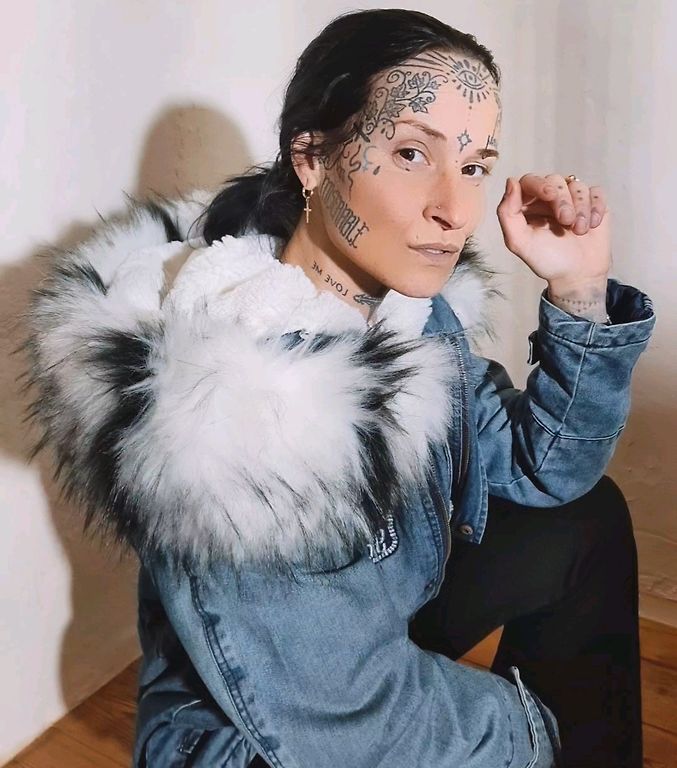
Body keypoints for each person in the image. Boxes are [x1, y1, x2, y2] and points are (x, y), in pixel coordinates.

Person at [22, 9, 655, 768]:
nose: (455, 211)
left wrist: (579, 291)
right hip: (255, 737)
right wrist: (544, 733)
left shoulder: (403, 309)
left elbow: (540, 467)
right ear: (312, 158)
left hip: (370, 613)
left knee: (584, 520)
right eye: (412, 153)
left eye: (474, 164)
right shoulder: (245, 411)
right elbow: (350, 719)